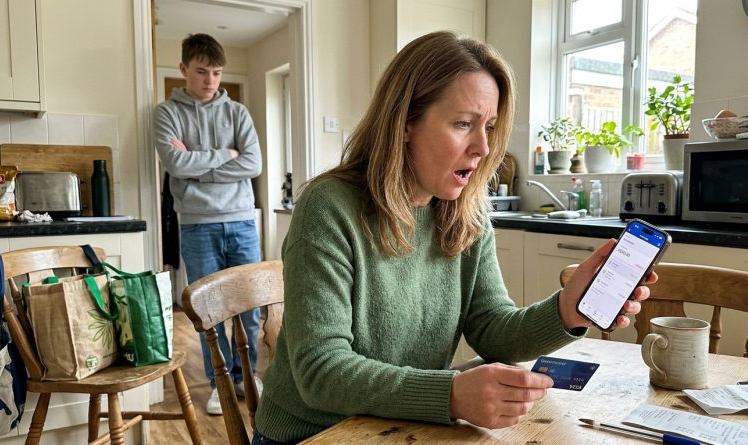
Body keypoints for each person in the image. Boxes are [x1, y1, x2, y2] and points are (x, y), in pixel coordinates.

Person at [253, 31, 655, 444]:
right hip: (315, 434)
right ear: (405, 122)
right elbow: (321, 372)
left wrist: (566, 311)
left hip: (404, 427)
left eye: (490, 126)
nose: (482, 147)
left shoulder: (466, 211)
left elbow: (491, 327)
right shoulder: (329, 208)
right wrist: (450, 395)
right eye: (464, 124)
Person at [153, 33, 263, 416]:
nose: (210, 80)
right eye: (201, 71)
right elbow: (176, 165)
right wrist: (225, 155)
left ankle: (246, 375)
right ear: (184, 69)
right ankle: (220, 383)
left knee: (250, 307)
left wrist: (200, 166)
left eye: (216, 72)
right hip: (197, 225)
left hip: (242, 221)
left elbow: (253, 164)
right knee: (208, 309)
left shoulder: (238, 113)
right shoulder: (167, 113)